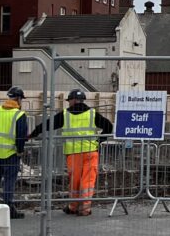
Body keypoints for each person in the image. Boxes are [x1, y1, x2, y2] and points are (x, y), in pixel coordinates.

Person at [28, 88, 113, 216]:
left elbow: (47, 124)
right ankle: (85, 208)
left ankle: (73, 207)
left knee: (75, 181)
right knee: (88, 180)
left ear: (73, 100)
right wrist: (99, 140)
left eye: (69, 101)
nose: (68, 103)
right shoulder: (92, 114)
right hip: (91, 151)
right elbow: (108, 126)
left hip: (73, 153)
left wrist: (33, 133)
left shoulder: (65, 115)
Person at [0, 87, 31, 218]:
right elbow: (20, 136)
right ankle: (8, 209)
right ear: (18, 99)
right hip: (10, 154)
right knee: (9, 182)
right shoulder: (19, 115)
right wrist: (20, 151)